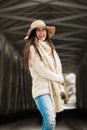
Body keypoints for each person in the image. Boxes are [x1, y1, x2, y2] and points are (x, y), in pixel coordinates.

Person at [23, 20, 66, 130]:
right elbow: (41, 70)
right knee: (50, 120)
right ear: (33, 33)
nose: (41, 33)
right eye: (38, 30)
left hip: (52, 91)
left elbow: (58, 69)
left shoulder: (51, 50)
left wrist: (61, 88)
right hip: (41, 90)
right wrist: (59, 78)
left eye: (43, 30)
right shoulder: (32, 49)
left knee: (51, 121)